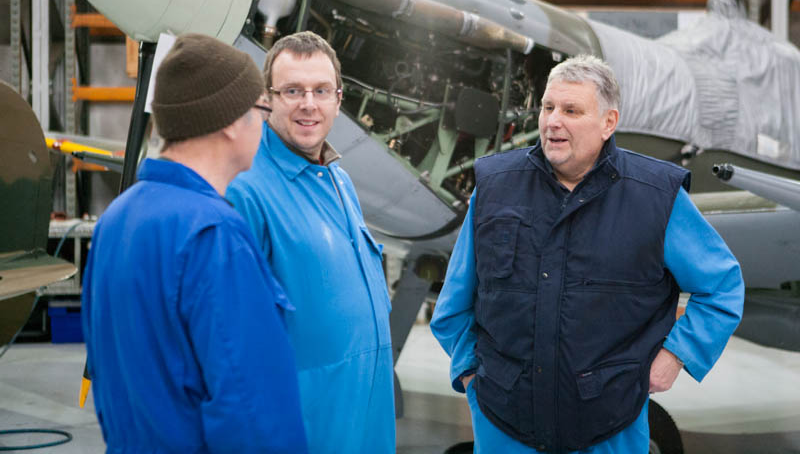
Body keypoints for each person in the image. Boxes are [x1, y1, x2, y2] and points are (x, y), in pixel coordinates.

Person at [431, 55, 744, 453]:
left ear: (608, 122)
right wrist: (472, 375)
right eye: (548, 107)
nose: (553, 121)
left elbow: (722, 286)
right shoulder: (494, 188)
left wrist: (677, 355)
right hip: (503, 421)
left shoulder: (657, 197)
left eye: (571, 110)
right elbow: (453, 305)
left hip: (610, 422)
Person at [82, 33, 308, 453]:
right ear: (227, 121)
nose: (265, 123)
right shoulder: (213, 235)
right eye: (261, 108)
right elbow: (252, 410)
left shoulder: (116, 219)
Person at [226, 31, 394, 453]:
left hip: (365, 421)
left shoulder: (338, 179)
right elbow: (228, 334)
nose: (308, 104)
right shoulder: (246, 190)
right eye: (292, 91)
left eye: (321, 90)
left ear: (339, 100)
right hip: (302, 430)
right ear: (267, 100)